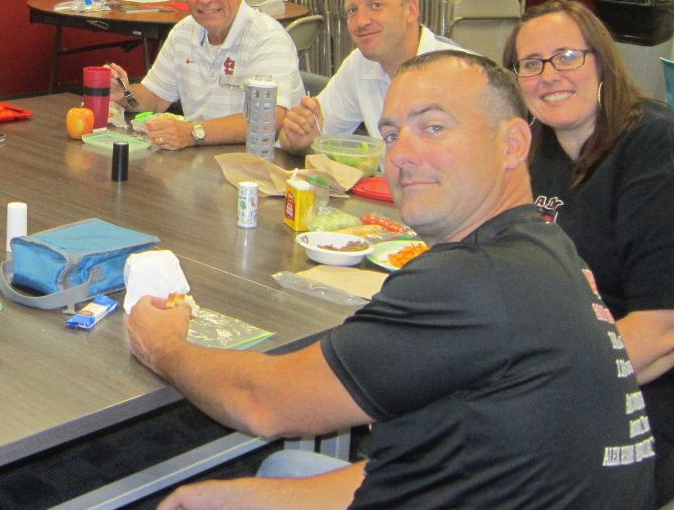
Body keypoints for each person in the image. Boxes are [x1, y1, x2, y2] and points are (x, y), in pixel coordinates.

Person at [128, 51, 655, 508]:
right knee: (277, 474)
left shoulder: (471, 279)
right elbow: (430, 469)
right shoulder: (544, 249)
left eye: (434, 127)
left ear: (513, 144)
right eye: (391, 134)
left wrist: (163, 346)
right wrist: (244, 498)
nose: (400, 154)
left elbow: (263, 401)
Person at [503, 0, 674, 504]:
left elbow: (661, 330)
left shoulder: (654, 147)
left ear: (601, 62)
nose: (549, 76)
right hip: (554, 362)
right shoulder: (536, 147)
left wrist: (535, 392)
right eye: (531, 64)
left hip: (642, 392)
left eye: (567, 56)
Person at [105, 0, 302, 151]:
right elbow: (154, 98)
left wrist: (192, 132)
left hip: (259, 163)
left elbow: (267, 122)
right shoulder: (183, 32)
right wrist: (124, 94)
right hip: (201, 161)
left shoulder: (267, 37)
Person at [279, 0, 463, 152]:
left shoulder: (461, 75)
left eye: (376, 5)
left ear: (411, 10)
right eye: (352, 10)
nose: (361, 22)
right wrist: (298, 139)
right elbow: (301, 138)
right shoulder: (360, 65)